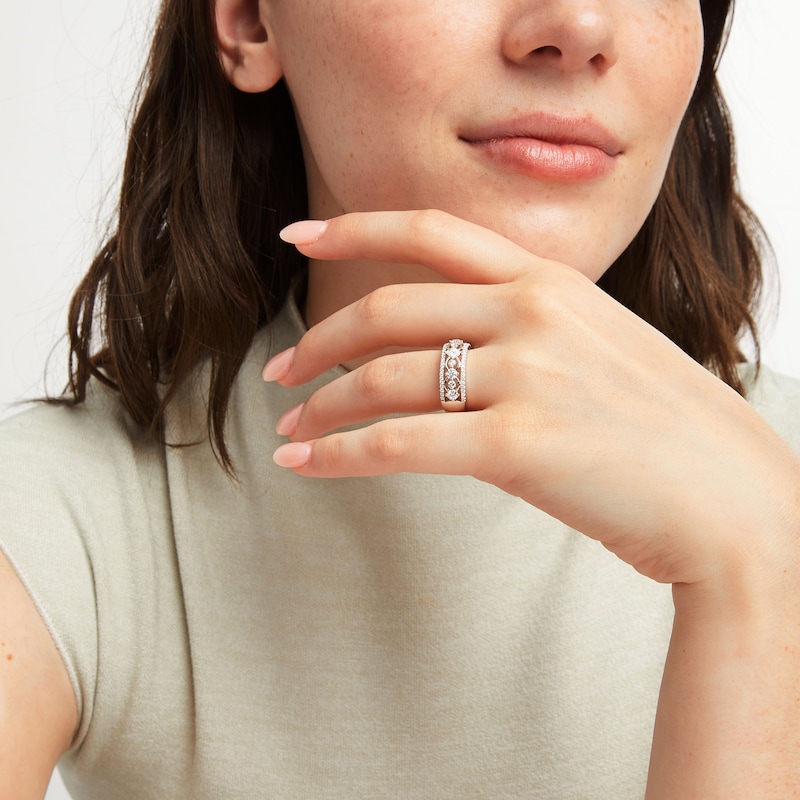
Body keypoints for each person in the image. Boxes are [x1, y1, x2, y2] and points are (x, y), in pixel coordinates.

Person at [1, 0, 799, 797]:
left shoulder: (781, 490)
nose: (580, 24)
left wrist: (757, 576)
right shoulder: (60, 517)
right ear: (249, 20)